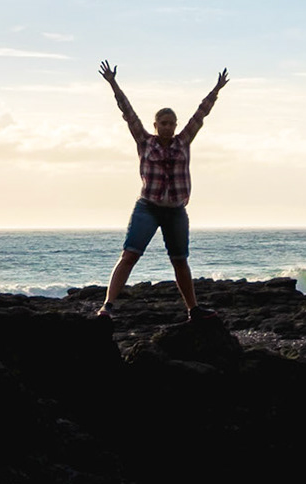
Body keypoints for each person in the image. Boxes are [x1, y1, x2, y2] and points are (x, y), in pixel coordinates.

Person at [96, 61, 228, 320]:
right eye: (163, 123)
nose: (168, 127)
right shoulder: (144, 141)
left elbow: (201, 114)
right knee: (129, 255)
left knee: (180, 260)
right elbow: (128, 112)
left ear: (176, 125)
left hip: (176, 211)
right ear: (155, 125)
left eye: (171, 123)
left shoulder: (184, 141)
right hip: (148, 208)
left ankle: (193, 310)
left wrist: (216, 90)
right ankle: (107, 306)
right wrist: (113, 83)